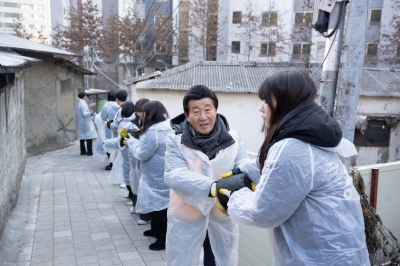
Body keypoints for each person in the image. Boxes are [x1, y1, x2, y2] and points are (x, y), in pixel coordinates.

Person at [217, 70, 369, 265]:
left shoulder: (293, 148)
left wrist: (232, 196)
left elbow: (263, 212)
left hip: (323, 258)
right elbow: (269, 165)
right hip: (336, 252)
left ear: (283, 102)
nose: (261, 109)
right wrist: (242, 171)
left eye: (266, 101)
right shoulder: (304, 135)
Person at [164, 85, 249, 265]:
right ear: (187, 115)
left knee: (220, 259)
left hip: (221, 216)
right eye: (196, 111)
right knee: (184, 259)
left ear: (216, 111)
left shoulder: (233, 138)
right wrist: (213, 188)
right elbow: (174, 174)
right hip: (187, 218)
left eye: (208, 110)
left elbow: (243, 169)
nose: (203, 117)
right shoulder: (176, 140)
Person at [123, 101, 172, 251]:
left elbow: (142, 154)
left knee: (159, 208)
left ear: (151, 114)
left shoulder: (153, 131)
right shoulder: (167, 126)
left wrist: (131, 142)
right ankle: (156, 231)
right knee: (158, 205)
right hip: (163, 171)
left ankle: (162, 239)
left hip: (155, 175)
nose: (140, 116)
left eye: (143, 113)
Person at [126, 98, 151, 224]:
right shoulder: (134, 122)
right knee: (135, 181)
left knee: (144, 186)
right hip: (135, 157)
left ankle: (146, 215)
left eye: (141, 111)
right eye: (137, 112)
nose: (139, 114)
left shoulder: (151, 124)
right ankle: (136, 205)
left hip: (145, 159)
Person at [106, 89, 128, 187]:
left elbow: (116, 126)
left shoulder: (122, 110)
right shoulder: (128, 108)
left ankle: (124, 181)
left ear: (117, 99)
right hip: (127, 139)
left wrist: (108, 124)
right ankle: (126, 181)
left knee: (123, 161)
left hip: (121, 138)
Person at [100, 92, 120, 170]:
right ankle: (117, 163)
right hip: (119, 127)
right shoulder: (120, 105)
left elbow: (102, 117)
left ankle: (111, 163)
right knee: (118, 145)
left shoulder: (106, 106)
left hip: (108, 128)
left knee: (109, 144)